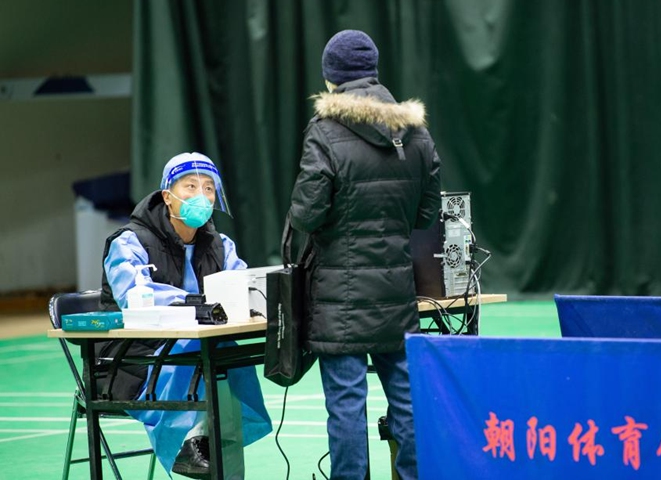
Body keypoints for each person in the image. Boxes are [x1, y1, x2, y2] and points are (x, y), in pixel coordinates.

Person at [288, 30, 441, 479]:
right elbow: (427, 213)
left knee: (347, 407)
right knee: (409, 402)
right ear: (373, 70)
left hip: (340, 298)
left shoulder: (325, 131)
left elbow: (306, 214)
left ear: (330, 76)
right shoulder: (415, 132)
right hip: (397, 292)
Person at [100, 152, 272, 479]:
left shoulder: (220, 244)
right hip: (135, 359)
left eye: (209, 188)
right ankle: (193, 442)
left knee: (230, 356)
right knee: (198, 353)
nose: (201, 196)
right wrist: (201, 305)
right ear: (168, 196)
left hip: (201, 351)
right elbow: (135, 297)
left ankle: (203, 445)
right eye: (190, 186)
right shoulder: (129, 242)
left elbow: (244, 287)